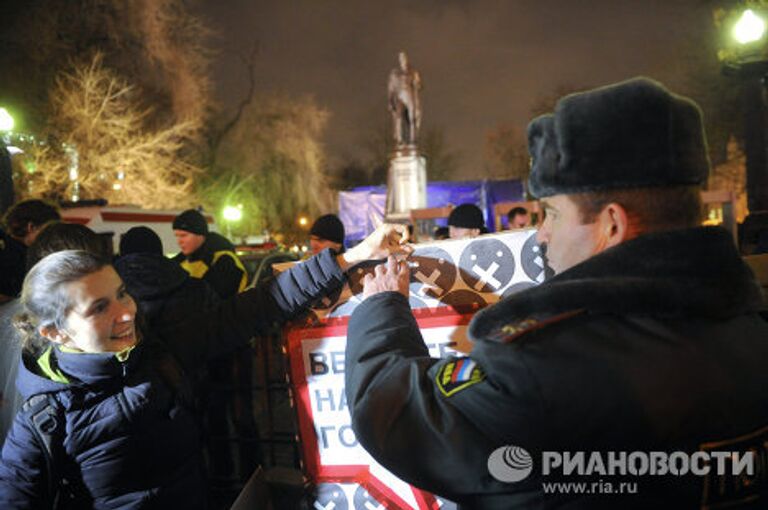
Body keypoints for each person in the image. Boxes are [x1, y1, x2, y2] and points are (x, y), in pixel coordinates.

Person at [343, 78, 768, 509]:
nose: (541, 235)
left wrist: (382, 309)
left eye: (552, 214)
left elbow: (396, 415)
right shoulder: (752, 330)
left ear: (611, 225)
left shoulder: (540, 364)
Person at [0, 223, 410, 509]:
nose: (126, 313)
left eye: (123, 294)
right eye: (100, 307)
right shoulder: (42, 423)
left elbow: (259, 305)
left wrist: (355, 256)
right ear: (54, 333)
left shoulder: (160, 352)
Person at [0, 200, 60, 303]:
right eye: (47, 230)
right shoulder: (10, 251)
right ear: (31, 227)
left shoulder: (20, 248)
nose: (51, 236)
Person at [388, 51, 422, 146]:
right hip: (399, 95)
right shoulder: (395, 73)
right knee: (398, 117)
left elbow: (418, 86)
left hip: (409, 94)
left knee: (412, 117)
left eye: (404, 58)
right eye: (401, 58)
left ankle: (413, 139)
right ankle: (399, 139)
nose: (403, 60)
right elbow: (391, 88)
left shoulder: (412, 72)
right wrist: (390, 101)